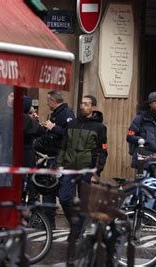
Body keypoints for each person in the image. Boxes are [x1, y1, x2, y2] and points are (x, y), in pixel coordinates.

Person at [57, 95, 108, 236]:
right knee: (64, 197)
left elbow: (102, 152)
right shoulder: (72, 123)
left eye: (86, 104)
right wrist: (59, 165)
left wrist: (96, 172)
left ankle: (78, 230)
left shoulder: (99, 127)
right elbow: (64, 146)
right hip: (69, 167)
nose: (83, 106)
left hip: (87, 169)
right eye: (82, 103)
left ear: (93, 107)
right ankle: (76, 223)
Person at [40, 90, 75, 228]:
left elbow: (71, 134)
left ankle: (74, 223)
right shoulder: (56, 114)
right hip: (52, 157)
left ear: (53, 101)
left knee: (64, 194)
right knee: (48, 190)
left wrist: (54, 128)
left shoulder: (66, 113)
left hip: (62, 159)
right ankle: (48, 223)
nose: (47, 104)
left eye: (48, 101)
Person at [126, 91, 156, 169]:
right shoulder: (140, 118)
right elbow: (129, 136)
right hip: (144, 158)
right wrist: (141, 140)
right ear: (150, 104)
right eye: (155, 102)